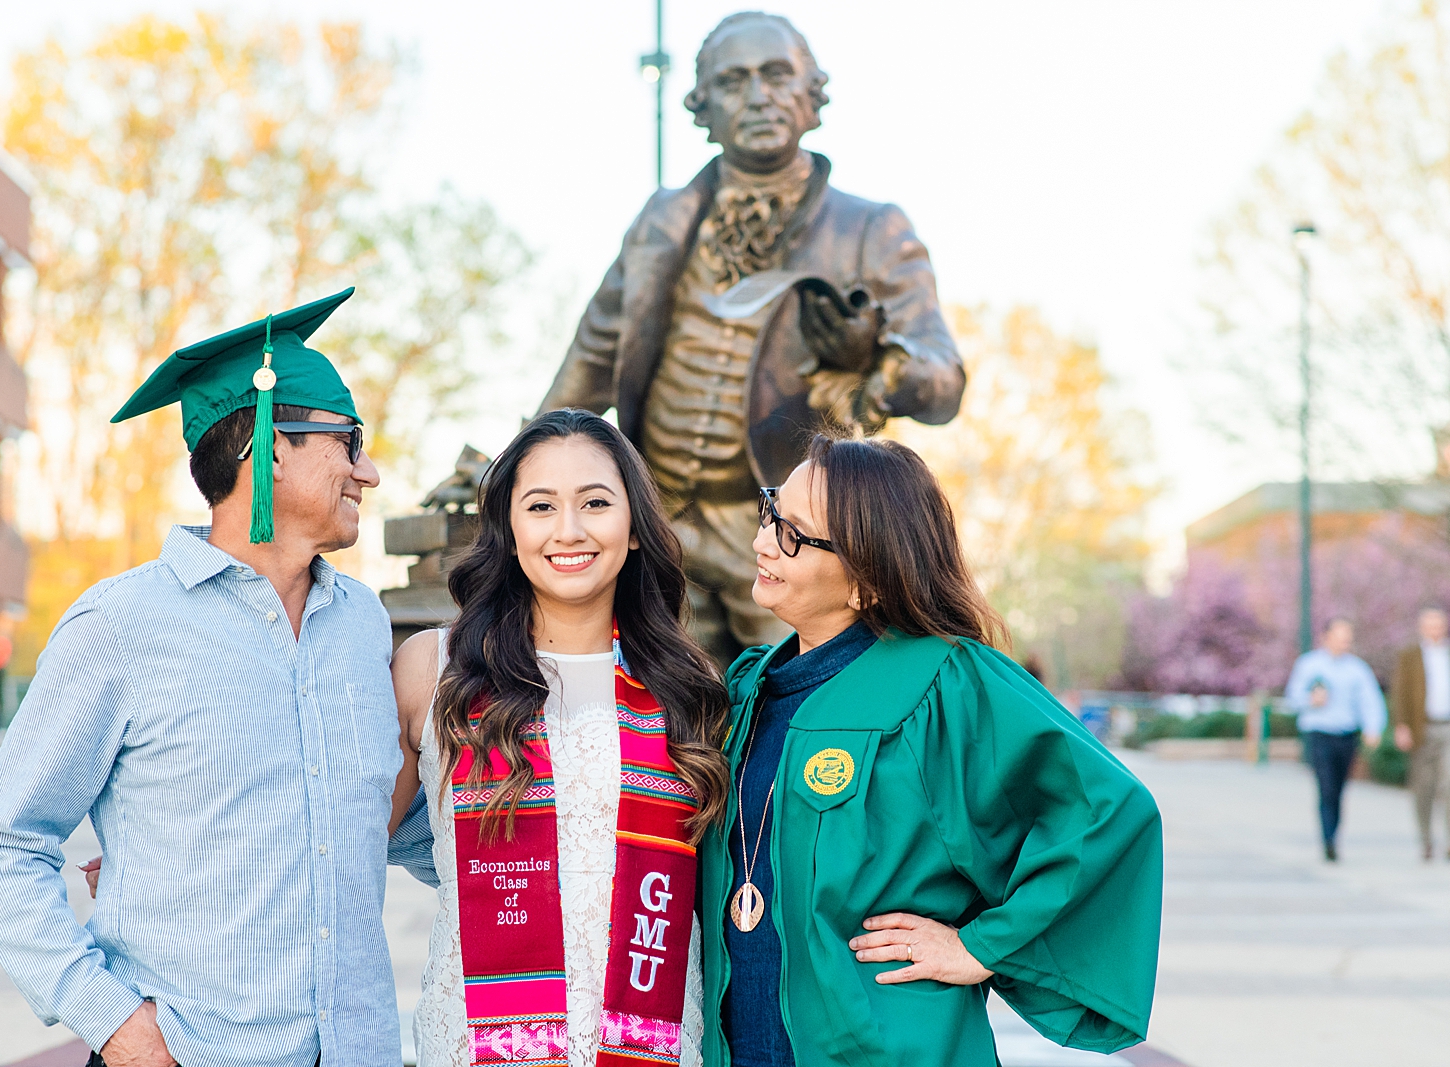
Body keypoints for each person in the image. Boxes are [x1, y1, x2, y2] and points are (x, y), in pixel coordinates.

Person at [0, 289, 402, 1067]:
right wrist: (114, 1023)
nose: (368, 470)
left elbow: (381, 825)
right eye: (349, 440)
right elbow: (3, 840)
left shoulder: (363, 624)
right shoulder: (121, 627)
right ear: (268, 448)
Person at [701, 434, 1163, 1067]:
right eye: (769, 511)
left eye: (792, 533)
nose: (761, 542)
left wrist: (978, 948)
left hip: (887, 1045)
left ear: (865, 579)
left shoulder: (945, 685)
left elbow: (1109, 810)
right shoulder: (748, 691)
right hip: (739, 1044)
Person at [540, 11, 964, 662]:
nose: (760, 96)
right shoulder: (663, 217)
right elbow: (594, 354)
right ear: (702, 107)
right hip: (660, 521)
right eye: (734, 82)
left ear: (812, 93)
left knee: (789, 707)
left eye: (776, 75)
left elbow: (942, 380)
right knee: (668, 723)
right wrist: (523, 464)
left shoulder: (870, 229)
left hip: (784, 529)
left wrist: (876, 359)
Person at [388, 409, 731, 1067]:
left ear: (633, 528)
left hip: (652, 1045)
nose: (569, 530)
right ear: (508, 530)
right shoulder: (434, 669)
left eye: (596, 502)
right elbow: (346, 848)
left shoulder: (688, 687)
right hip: (475, 1042)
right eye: (540, 505)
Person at [1284, 617, 1385, 862]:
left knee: (1339, 789)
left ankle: (1334, 833)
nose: (1344, 643)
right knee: (1326, 787)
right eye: (1340, 637)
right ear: (1326, 637)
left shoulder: (1357, 669)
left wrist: (1373, 728)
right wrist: (1311, 700)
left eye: (1347, 639)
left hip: (1346, 735)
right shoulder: (1309, 665)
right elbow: (1292, 699)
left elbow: (1370, 701)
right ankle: (1328, 839)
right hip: (1319, 734)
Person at [1392, 607, 1450, 861]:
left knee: (1448, 785)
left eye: (1439, 624)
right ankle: (1426, 839)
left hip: (1447, 725)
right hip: (1422, 727)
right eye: (1430, 624)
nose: (1435, 629)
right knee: (1423, 786)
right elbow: (1400, 692)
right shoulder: (1410, 655)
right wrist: (1402, 726)